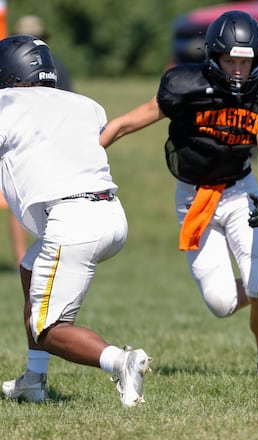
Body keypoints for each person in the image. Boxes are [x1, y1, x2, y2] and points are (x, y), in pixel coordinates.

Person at [98, 11, 258, 380]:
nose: (238, 70)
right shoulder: (184, 85)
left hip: (240, 192)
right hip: (193, 198)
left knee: (257, 287)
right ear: (214, 57)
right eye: (230, 60)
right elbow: (124, 124)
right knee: (221, 304)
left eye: (245, 61)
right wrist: (91, 155)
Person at [0, 35, 150, 406]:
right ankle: (34, 380)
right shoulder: (86, 105)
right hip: (110, 214)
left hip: (72, 220)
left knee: (48, 328)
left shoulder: (5, 103)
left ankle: (121, 360)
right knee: (29, 267)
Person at [0, 15, 74, 270]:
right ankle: (28, 257)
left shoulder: (57, 68)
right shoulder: (56, 65)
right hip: (35, 144)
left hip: (32, 145)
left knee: (21, 199)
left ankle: (33, 255)